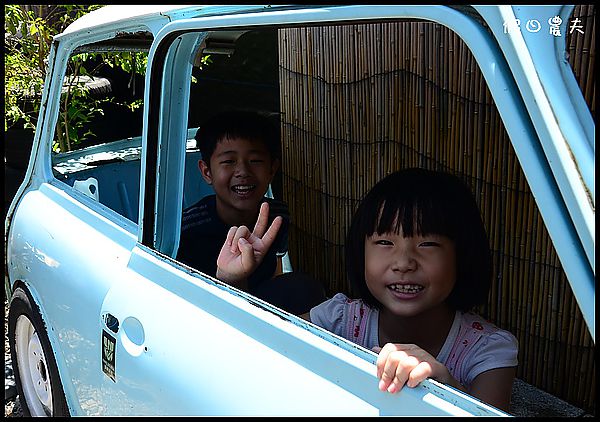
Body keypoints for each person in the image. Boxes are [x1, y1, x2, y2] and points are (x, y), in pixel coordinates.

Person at [216, 168, 518, 411]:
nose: (403, 262)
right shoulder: (341, 320)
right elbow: (260, 350)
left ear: (462, 255)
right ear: (361, 253)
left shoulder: (487, 350)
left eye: (427, 243)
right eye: (385, 243)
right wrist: (232, 282)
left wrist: (446, 389)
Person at [178, 110, 325, 313]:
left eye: (255, 161)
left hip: (259, 304)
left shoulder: (277, 216)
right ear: (207, 172)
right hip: (205, 312)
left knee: (305, 287)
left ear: (272, 169)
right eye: (229, 161)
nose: (243, 172)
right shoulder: (186, 229)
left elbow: (276, 271)